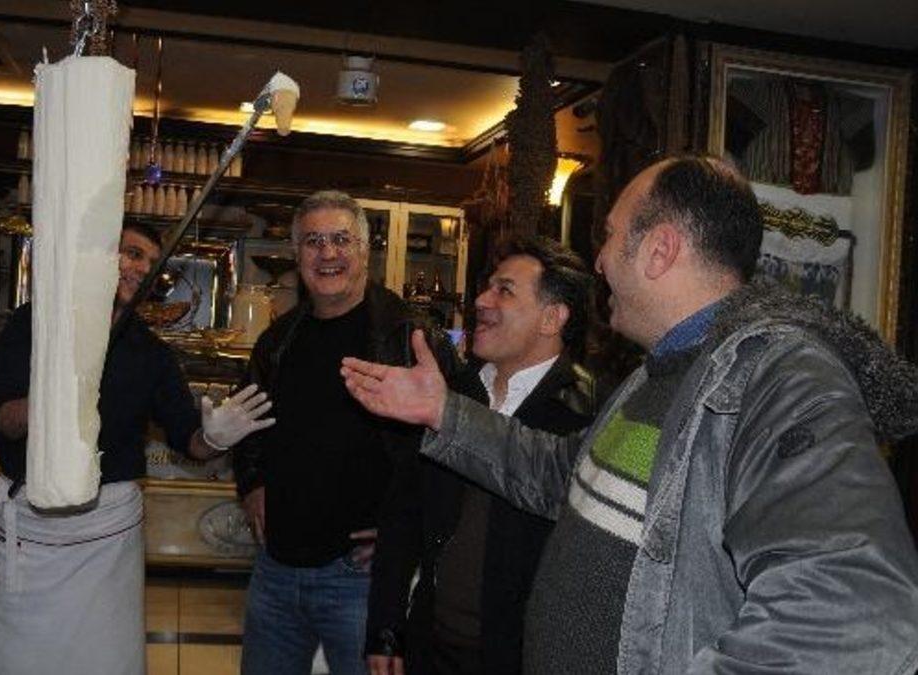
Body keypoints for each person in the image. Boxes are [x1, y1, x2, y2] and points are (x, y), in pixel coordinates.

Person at [342, 155, 918, 673]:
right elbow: (558, 474)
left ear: (660, 250)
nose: (598, 261)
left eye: (612, 236)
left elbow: (851, 615)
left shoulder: (781, 380)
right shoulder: (657, 374)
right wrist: (444, 411)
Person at [0, 221, 274, 675]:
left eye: (151, 264)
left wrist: (215, 437)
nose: (141, 269)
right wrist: (43, 406)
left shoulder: (150, 353)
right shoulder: (34, 324)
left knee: (105, 660)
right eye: (133, 254)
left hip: (107, 538)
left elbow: (188, 439)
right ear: (100, 254)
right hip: (30, 532)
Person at [233, 190, 457, 675]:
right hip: (275, 571)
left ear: (365, 249)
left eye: (341, 239)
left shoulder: (410, 337)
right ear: (297, 254)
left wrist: (406, 536)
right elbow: (246, 423)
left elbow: (458, 445)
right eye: (313, 241)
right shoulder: (278, 339)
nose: (327, 253)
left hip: (360, 579)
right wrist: (251, 484)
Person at [365, 236, 595, 675]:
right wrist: (386, 627)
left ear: (552, 318)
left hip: (522, 659)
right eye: (487, 288)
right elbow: (403, 516)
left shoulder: (586, 414)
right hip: (431, 648)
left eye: (504, 291)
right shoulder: (447, 396)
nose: (482, 302)